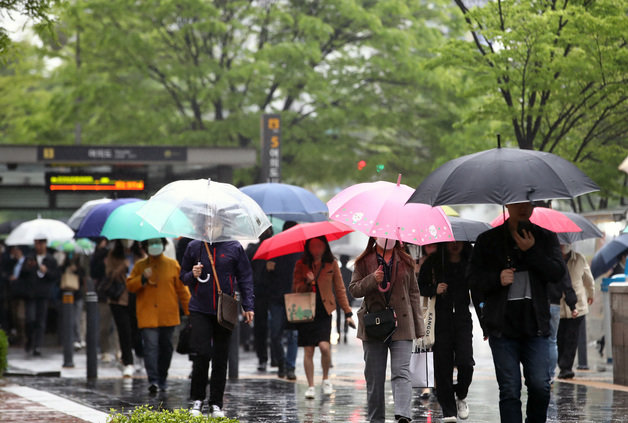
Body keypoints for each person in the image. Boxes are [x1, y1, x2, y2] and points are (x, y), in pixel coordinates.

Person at [470, 201, 566, 423]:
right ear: (507, 204)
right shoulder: (489, 241)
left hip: (536, 327)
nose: (523, 207)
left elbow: (557, 273)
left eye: (528, 202)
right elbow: (473, 279)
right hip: (503, 329)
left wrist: (531, 252)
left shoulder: (545, 237)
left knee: (540, 386)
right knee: (510, 390)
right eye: (517, 202)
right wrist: (497, 278)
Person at [180, 232, 255, 418]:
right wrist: (192, 274)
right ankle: (197, 400)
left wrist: (248, 305)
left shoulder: (234, 247)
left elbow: (245, 277)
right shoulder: (194, 246)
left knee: (221, 356)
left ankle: (216, 403)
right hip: (199, 309)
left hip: (225, 309)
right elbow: (183, 277)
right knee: (202, 353)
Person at [349, 237, 423, 423]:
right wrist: (372, 279)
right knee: (374, 378)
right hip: (375, 325)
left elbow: (414, 293)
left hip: (402, 325)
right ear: (374, 235)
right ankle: (376, 419)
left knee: (401, 372)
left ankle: (403, 415)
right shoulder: (363, 262)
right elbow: (354, 290)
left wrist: (419, 327)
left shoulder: (406, 260)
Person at [293, 236, 355, 400]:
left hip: (324, 311)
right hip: (306, 311)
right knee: (308, 350)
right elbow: (295, 288)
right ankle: (311, 385)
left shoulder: (331, 264)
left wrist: (348, 313)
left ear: (325, 247)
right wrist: (307, 281)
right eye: (313, 246)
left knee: (324, 347)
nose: (316, 249)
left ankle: (326, 379)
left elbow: (340, 290)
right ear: (308, 248)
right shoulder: (301, 264)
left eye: (319, 246)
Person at [418, 241, 474, 422]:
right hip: (439, 322)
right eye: (451, 241)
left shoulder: (470, 262)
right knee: (443, 368)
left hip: (463, 320)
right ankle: (449, 412)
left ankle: (462, 394)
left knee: (466, 362)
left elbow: (480, 289)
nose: (455, 245)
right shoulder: (434, 262)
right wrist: (435, 289)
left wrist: (487, 322)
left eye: (459, 241)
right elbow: (419, 287)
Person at [127, 237, 191, 393]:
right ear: (145, 247)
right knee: (150, 347)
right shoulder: (140, 266)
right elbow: (130, 285)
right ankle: (153, 380)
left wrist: (190, 311)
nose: (155, 246)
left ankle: (162, 378)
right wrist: (142, 278)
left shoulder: (172, 265)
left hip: (168, 315)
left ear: (163, 245)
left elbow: (182, 290)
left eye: (158, 243)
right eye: (151, 243)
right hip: (147, 315)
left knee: (166, 348)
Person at [556, 243, 595, 379]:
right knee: (560, 337)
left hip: (577, 305)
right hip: (559, 305)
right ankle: (562, 364)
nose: (562, 246)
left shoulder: (579, 258)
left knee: (572, 338)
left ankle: (566, 367)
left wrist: (591, 293)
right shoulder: (553, 258)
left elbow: (588, 278)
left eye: (564, 244)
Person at [268, 220, 300, 380]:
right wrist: (269, 268)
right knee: (275, 334)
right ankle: (281, 363)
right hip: (276, 298)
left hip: (295, 298)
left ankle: (290, 367)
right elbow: (266, 276)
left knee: (293, 335)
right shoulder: (275, 250)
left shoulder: (302, 251)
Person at [104, 239, 136, 377]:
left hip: (136, 297)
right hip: (118, 298)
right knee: (124, 330)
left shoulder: (139, 254)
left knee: (136, 329)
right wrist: (123, 266)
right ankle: (128, 361)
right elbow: (109, 274)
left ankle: (133, 355)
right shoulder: (113, 254)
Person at [245, 227, 275, 372]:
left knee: (271, 328)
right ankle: (264, 358)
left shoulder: (276, 250)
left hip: (272, 293)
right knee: (262, 327)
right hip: (261, 293)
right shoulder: (253, 250)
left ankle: (269, 357)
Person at [546, 255, 577, 383]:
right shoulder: (557, 260)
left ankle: (540, 374)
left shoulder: (534, 254)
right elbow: (566, 283)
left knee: (538, 342)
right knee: (552, 342)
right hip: (554, 304)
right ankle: (550, 376)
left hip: (537, 305)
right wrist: (572, 305)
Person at [415, 243, 437, 400]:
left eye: (434, 245)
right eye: (428, 245)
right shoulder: (417, 262)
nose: (431, 248)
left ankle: (435, 382)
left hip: (437, 305)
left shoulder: (442, 261)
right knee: (424, 344)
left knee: (436, 345)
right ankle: (425, 385)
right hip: (421, 306)